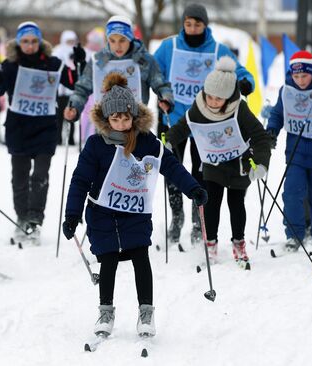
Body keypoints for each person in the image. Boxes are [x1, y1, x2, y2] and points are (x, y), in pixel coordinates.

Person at [62, 73, 207, 338]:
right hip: (103, 214)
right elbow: (80, 179)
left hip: (135, 214)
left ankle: (146, 312)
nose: (120, 123)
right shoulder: (96, 144)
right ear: (107, 119)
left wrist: (192, 188)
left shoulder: (147, 142)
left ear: (134, 117)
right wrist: (72, 214)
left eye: (125, 118)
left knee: (141, 258)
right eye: (114, 119)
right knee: (108, 262)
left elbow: (171, 166)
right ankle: (105, 311)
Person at [153, 3, 254, 246]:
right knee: (172, 170)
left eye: (197, 24)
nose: (192, 28)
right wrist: (161, 93)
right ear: (183, 24)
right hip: (174, 117)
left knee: (203, 172)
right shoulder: (170, 46)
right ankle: (177, 215)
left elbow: (241, 72)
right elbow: (154, 72)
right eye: (188, 24)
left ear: (205, 25)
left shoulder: (218, 50)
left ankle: (199, 220)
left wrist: (244, 83)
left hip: (207, 122)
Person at [0, 21, 84, 245]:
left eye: (33, 41)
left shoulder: (52, 63)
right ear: (18, 44)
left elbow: (73, 81)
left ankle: (34, 220)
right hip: (18, 129)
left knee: (40, 176)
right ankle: (22, 218)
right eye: (25, 42)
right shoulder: (9, 65)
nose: (29, 46)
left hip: (44, 130)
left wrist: (78, 63)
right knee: (19, 178)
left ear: (39, 43)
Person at [166, 56, 270, 264]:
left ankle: (238, 242)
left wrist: (260, 163)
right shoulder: (200, 106)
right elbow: (183, 126)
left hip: (239, 164)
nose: (212, 102)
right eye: (209, 96)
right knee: (212, 203)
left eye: (218, 99)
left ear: (229, 97)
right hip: (213, 163)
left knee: (236, 203)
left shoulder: (239, 109)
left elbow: (260, 137)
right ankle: (210, 243)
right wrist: (168, 141)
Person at [266, 50, 312, 253]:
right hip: (296, 154)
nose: (301, 80)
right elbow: (278, 113)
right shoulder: (286, 90)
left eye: (305, 75)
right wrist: (271, 132)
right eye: (296, 76)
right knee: (292, 194)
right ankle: (294, 235)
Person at [63, 15, 173, 125]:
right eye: (112, 41)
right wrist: (74, 107)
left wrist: (166, 99)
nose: (117, 46)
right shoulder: (99, 61)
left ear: (130, 38)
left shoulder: (144, 60)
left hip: (135, 125)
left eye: (122, 40)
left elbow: (160, 85)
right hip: (105, 127)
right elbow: (82, 89)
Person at [53, 30, 79, 146]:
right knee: (59, 116)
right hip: (60, 90)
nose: (70, 43)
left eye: (72, 41)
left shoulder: (76, 50)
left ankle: (71, 139)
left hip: (71, 90)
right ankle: (58, 138)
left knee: (71, 114)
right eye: (68, 41)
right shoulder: (58, 50)